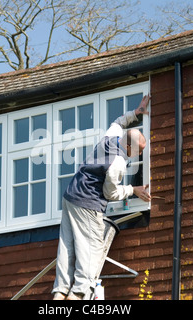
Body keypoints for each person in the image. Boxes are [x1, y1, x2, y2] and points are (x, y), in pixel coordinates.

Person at [52, 94, 152, 300]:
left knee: (67, 246)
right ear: (130, 147)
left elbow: (118, 122)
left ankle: (60, 292)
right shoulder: (118, 163)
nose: (141, 155)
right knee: (90, 252)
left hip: (70, 195)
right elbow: (110, 193)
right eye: (140, 151)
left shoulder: (110, 137)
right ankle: (77, 295)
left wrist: (136, 113)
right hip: (88, 204)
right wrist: (133, 190)